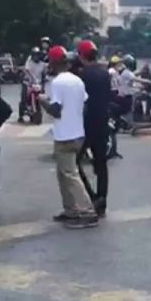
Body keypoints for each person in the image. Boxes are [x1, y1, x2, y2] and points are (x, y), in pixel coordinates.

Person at [39, 46, 98, 228]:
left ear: (54, 63)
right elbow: (86, 104)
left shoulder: (58, 82)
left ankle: (87, 211)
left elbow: (56, 111)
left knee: (70, 175)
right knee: (63, 174)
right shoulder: (77, 81)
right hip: (78, 133)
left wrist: (43, 101)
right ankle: (71, 210)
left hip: (65, 135)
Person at [75, 40, 112, 216]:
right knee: (101, 162)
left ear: (82, 56)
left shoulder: (83, 76)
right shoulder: (105, 74)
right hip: (103, 122)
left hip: (86, 124)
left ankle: (91, 196)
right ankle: (102, 199)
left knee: (74, 163)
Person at [20, 47, 47, 123]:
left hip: (38, 84)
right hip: (29, 83)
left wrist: (43, 84)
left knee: (43, 98)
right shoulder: (29, 62)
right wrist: (31, 78)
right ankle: (21, 115)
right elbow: (27, 71)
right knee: (23, 98)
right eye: (34, 55)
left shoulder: (42, 64)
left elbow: (44, 75)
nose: (36, 57)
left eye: (37, 55)